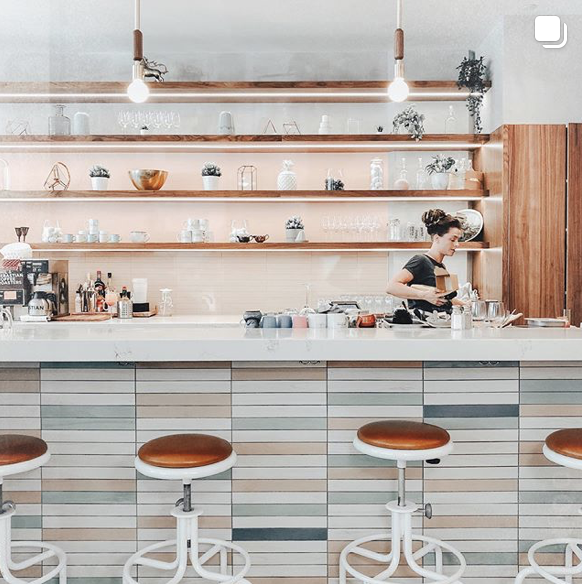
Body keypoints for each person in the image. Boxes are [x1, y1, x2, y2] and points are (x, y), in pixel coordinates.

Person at [386, 209, 464, 314]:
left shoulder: (441, 267)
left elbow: (445, 300)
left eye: (458, 240)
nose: (457, 244)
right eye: (453, 239)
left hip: (439, 326)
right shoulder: (420, 260)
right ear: (437, 238)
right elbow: (391, 287)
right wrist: (424, 295)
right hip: (422, 327)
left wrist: (466, 305)